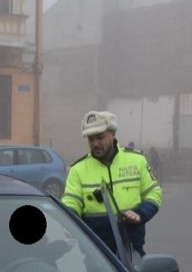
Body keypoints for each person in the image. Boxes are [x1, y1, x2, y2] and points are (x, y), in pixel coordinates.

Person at [61, 110, 162, 259]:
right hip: (96, 255)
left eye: (100, 137)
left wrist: (139, 214)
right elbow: (70, 203)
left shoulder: (137, 160)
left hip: (132, 251)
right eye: (91, 139)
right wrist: (70, 218)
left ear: (113, 133)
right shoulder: (77, 170)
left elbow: (154, 194)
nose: (95, 143)